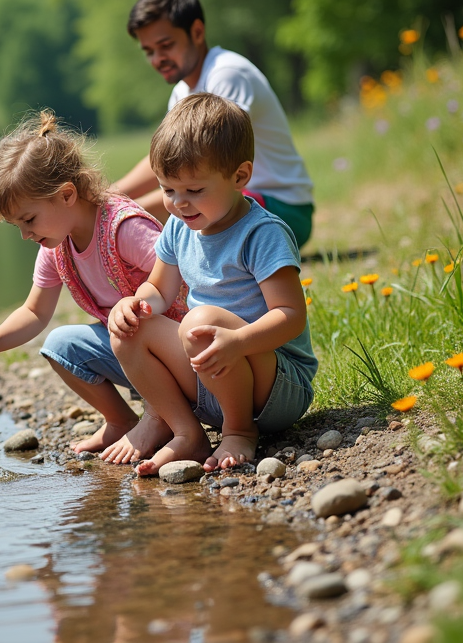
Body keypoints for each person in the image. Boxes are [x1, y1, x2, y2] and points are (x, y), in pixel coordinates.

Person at [0, 110, 186, 454]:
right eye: (18, 226)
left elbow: (186, 278)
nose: (25, 234)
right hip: (135, 351)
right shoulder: (56, 244)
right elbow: (35, 312)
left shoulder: (124, 228)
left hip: (181, 346)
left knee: (135, 329)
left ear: (66, 195)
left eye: (28, 220)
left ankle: (161, 418)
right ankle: (121, 421)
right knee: (61, 345)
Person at [108, 93, 316, 477]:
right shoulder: (179, 227)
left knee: (198, 322)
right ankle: (188, 433)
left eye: (195, 190)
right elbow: (158, 290)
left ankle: (239, 430)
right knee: (128, 330)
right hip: (212, 372)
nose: (179, 203)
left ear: (240, 177)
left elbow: (290, 317)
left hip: (277, 386)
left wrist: (238, 343)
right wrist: (135, 304)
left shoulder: (261, 233)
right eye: (168, 190)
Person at [113, 0, 315, 248]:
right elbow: (166, 161)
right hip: (231, 198)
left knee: (188, 218)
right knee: (179, 223)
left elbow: (198, 162)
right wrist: (114, 199)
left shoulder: (226, 74)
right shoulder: (181, 92)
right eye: (149, 51)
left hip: (283, 208)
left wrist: (122, 211)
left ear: (197, 32)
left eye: (166, 45)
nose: (157, 59)